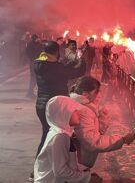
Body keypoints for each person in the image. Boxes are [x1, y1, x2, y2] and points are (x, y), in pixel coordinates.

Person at [31, 41, 85, 181]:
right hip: (55, 107)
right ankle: (42, 170)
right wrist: (81, 58)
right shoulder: (55, 68)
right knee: (53, 138)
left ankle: (42, 169)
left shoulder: (39, 63)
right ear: (56, 52)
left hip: (42, 105)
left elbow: (60, 69)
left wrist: (69, 62)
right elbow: (79, 71)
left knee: (47, 136)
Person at [71, 76, 135, 170]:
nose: (100, 95)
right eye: (96, 92)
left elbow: (96, 132)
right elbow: (92, 142)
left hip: (80, 160)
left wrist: (102, 119)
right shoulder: (83, 111)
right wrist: (122, 140)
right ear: (85, 94)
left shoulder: (86, 107)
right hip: (79, 162)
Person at [34, 96, 93, 183]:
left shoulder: (62, 133)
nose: (79, 113)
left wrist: (83, 171)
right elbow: (60, 172)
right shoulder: (59, 138)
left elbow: (66, 162)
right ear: (64, 113)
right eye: (74, 111)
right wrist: (86, 177)